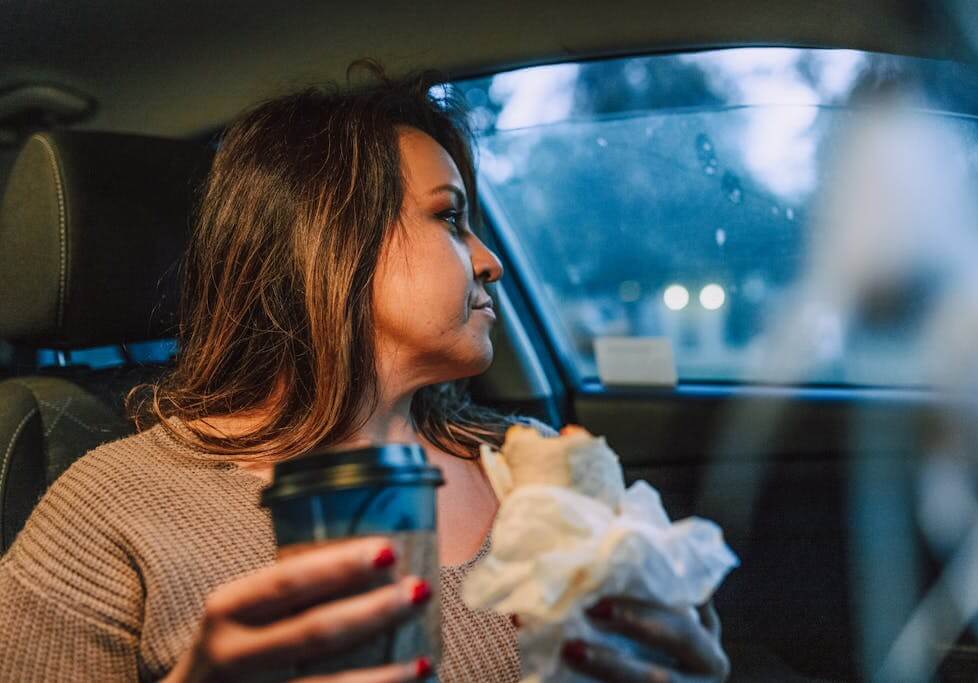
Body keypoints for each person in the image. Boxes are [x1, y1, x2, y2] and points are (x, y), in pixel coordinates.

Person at [0, 68, 730, 683]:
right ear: (328, 236)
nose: (490, 261)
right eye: (450, 217)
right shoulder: (106, 511)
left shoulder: (529, 460)